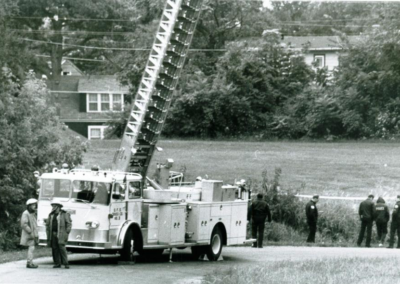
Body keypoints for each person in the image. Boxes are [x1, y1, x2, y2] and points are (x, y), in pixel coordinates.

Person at [46, 200, 72, 269]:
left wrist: (67, 232)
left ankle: (66, 263)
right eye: (53, 206)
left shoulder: (64, 214)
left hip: (61, 234)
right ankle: (57, 263)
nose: (53, 207)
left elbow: (69, 224)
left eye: (55, 206)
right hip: (53, 233)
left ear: (59, 207)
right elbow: (47, 224)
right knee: (54, 248)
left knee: (62, 248)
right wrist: (48, 232)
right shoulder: (51, 214)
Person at [20, 199, 39, 269]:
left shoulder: (32, 213)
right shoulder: (26, 213)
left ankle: (30, 262)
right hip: (29, 234)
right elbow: (24, 224)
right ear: (29, 206)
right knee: (31, 247)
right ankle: (29, 263)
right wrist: (30, 231)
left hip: (32, 234)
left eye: (35, 205)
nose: (34, 206)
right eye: (33, 205)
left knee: (32, 248)